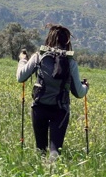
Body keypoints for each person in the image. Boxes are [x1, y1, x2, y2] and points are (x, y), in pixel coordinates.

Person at [16, 24, 89, 160]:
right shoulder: (70, 62)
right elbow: (78, 93)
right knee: (55, 151)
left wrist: (22, 60)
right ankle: (53, 171)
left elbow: (20, 77)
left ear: (49, 38)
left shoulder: (39, 56)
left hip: (39, 107)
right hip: (60, 110)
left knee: (40, 150)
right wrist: (86, 87)